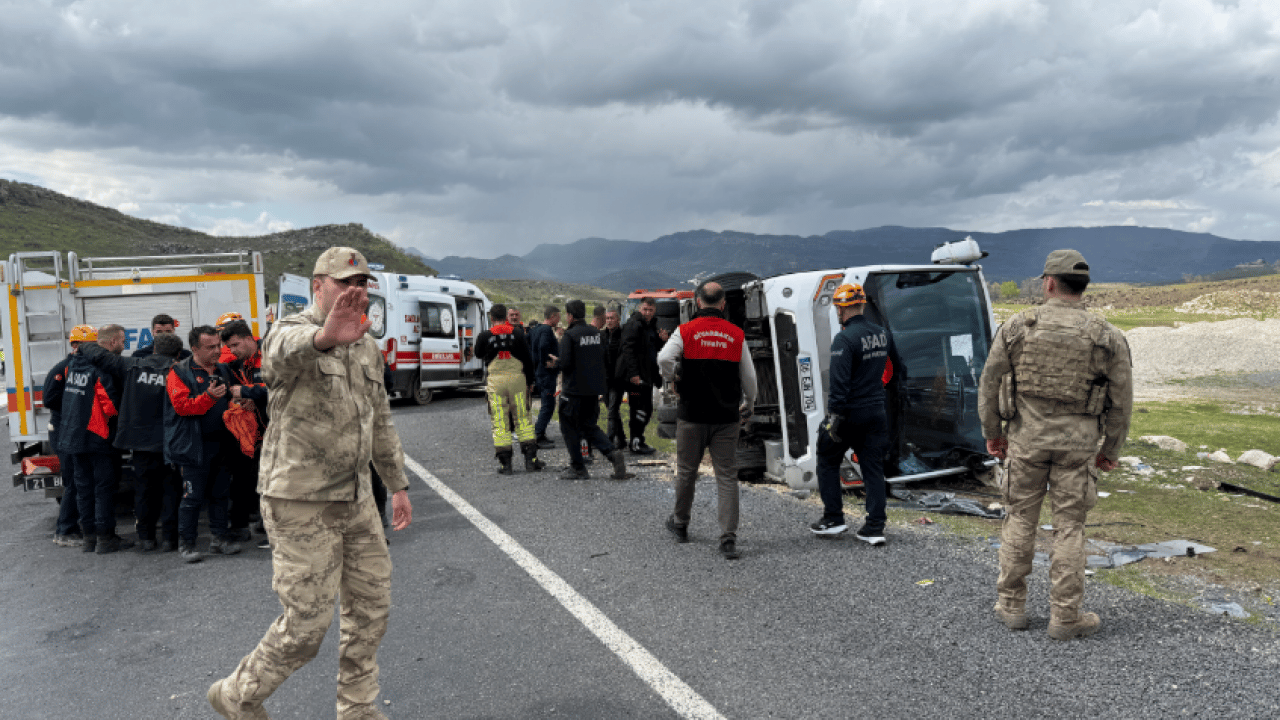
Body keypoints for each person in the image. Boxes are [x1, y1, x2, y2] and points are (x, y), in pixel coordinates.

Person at [208, 246, 413, 720]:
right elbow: (278, 359)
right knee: (307, 624)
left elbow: (379, 419)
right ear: (318, 286)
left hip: (357, 498)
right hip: (299, 499)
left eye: (362, 284)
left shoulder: (365, 345)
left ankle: (358, 709)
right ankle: (237, 696)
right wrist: (324, 337)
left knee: (370, 611)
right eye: (345, 283)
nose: (355, 292)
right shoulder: (291, 331)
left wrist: (396, 485)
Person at [978, 249, 1132, 640]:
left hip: (1025, 441)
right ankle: (1065, 616)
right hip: (1078, 447)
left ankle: (1011, 606)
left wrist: (992, 433)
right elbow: (1122, 401)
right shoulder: (1107, 336)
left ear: (1048, 282)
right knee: (1070, 528)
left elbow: (989, 383)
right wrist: (1110, 450)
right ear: (1083, 287)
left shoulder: (1016, 327)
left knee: (1020, 519)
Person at [657, 282, 757, 560]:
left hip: (692, 416)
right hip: (726, 418)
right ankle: (727, 538)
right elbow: (749, 377)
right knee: (726, 476)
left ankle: (680, 525)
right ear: (723, 304)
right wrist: (749, 403)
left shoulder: (686, 330)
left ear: (698, 303)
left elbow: (664, 357)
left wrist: (674, 376)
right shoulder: (736, 334)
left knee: (687, 471)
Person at [809, 284, 905, 546]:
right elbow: (895, 368)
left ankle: (833, 519)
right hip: (876, 411)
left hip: (850, 413)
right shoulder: (882, 334)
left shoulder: (844, 339)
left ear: (842, 308)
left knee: (827, 459)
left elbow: (839, 383)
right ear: (861, 305)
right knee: (873, 468)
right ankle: (874, 527)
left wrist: (834, 419)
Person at [165, 324, 241, 563]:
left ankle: (220, 539)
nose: (217, 350)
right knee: (192, 497)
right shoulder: (179, 371)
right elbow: (182, 407)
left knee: (220, 493)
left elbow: (229, 400)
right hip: (193, 446)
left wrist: (239, 405)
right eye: (210, 347)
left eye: (218, 345)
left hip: (221, 443)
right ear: (194, 348)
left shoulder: (223, 369)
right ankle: (186, 544)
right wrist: (208, 397)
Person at [57, 324, 133, 554]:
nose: (124, 345)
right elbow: (110, 406)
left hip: (73, 437)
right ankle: (105, 538)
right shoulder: (102, 369)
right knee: (103, 489)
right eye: (122, 341)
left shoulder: (73, 365)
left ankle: (89, 537)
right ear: (111, 343)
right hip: (98, 437)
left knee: (84, 488)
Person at [553, 300, 630, 481]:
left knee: (569, 427)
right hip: (593, 391)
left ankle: (578, 467)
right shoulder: (597, 334)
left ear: (570, 316)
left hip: (573, 391)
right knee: (589, 426)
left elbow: (565, 363)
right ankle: (612, 453)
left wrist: (554, 362)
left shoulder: (570, 335)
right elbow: (605, 358)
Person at [475, 303, 544, 474]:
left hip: (496, 383)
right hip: (517, 382)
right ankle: (531, 461)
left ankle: (506, 465)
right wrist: (530, 381)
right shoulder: (518, 333)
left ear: (491, 318)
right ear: (506, 316)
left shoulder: (484, 335)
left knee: (499, 421)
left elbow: (477, 353)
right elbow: (528, 360)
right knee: (523, 419)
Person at [43, 326, 94, 548]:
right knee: (73, 481)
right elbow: (49, 399)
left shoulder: (84, 367)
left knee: (80, 481)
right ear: (75, 345)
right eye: (88, 344)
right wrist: (72, 411)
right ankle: (64, 530)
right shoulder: (62, 369)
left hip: (74, 430)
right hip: (63, 430)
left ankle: (74, 526)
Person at [218, 319, 268, 543]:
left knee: (269, 478)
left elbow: (279, 387)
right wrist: (249, 401)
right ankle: (252, 521)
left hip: (277, 429)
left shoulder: (270, 354)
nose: (233, 351)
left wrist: (248, 392)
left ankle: (269, 524)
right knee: (247, 476)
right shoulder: (241, 363)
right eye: (230, 348)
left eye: (236, 345)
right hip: (254, 431)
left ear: (250, 339)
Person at [616, 297, 667, 455]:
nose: (647, 313)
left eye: (650, 310)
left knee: (646, 409)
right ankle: (636, 443)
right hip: (636, 378)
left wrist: (661, 341)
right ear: (639, 309)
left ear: (654, 311)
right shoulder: (634, 324)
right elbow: (628, 350)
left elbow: (651, 349)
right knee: (639, 409)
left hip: (647, 375)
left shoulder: (650, 326)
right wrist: (634, 374)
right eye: (645, 309)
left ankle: (638, 440)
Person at [529, 305, 561, 448]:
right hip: (546, 375)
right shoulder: (547, 330)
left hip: (540, 373)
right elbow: (542, 347)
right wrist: (547, 362)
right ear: (553, 316)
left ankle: (540, 433)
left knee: (546, 403)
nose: (559, 320)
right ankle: (538, 435)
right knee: (548, 405)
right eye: (558, 317)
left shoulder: (535, 329)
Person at [601, 306, 627, 451]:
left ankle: (609, 442)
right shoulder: (602, 335)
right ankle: (622, 439)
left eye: (612, 318)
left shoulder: (623, 335)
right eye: (607, 318)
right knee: (612, 410)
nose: (609, 321)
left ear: (618, 319)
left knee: (612, 410)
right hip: (605, 379)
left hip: (618, 380)